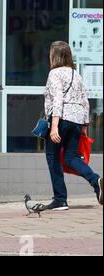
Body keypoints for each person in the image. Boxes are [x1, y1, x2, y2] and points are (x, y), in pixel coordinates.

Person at [44, 41, 103, 211]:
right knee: (72, 158)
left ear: (54, 55)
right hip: (76, 121)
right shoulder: (76, 75)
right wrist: (84, 125)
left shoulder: (54, 73)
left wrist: (54, 126)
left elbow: (57, 99)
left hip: (61, 120)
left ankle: (60, 199)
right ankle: (96, 181)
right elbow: (85, 100)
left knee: (53, 158)